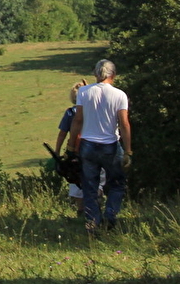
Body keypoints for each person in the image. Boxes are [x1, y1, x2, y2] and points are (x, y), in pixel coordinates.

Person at [68, 59, 131, 233]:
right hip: (110, 145)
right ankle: (110, 215)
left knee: (90, 186)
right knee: (117, 184)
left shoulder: (84, 92)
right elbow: (124, 124)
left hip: (88, 145)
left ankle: (93, 222)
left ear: (96, 74)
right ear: (114, 75)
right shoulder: (119, 95)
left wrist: (72, 146)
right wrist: (128, 150)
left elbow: (78, 120)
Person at [55, 79, 89, 214]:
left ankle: (81, 210)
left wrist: (57, 152)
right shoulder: (93, 110)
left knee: (76, 178)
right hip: (95, 147)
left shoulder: (70, 113)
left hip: (75, 149)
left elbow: (62, 134)